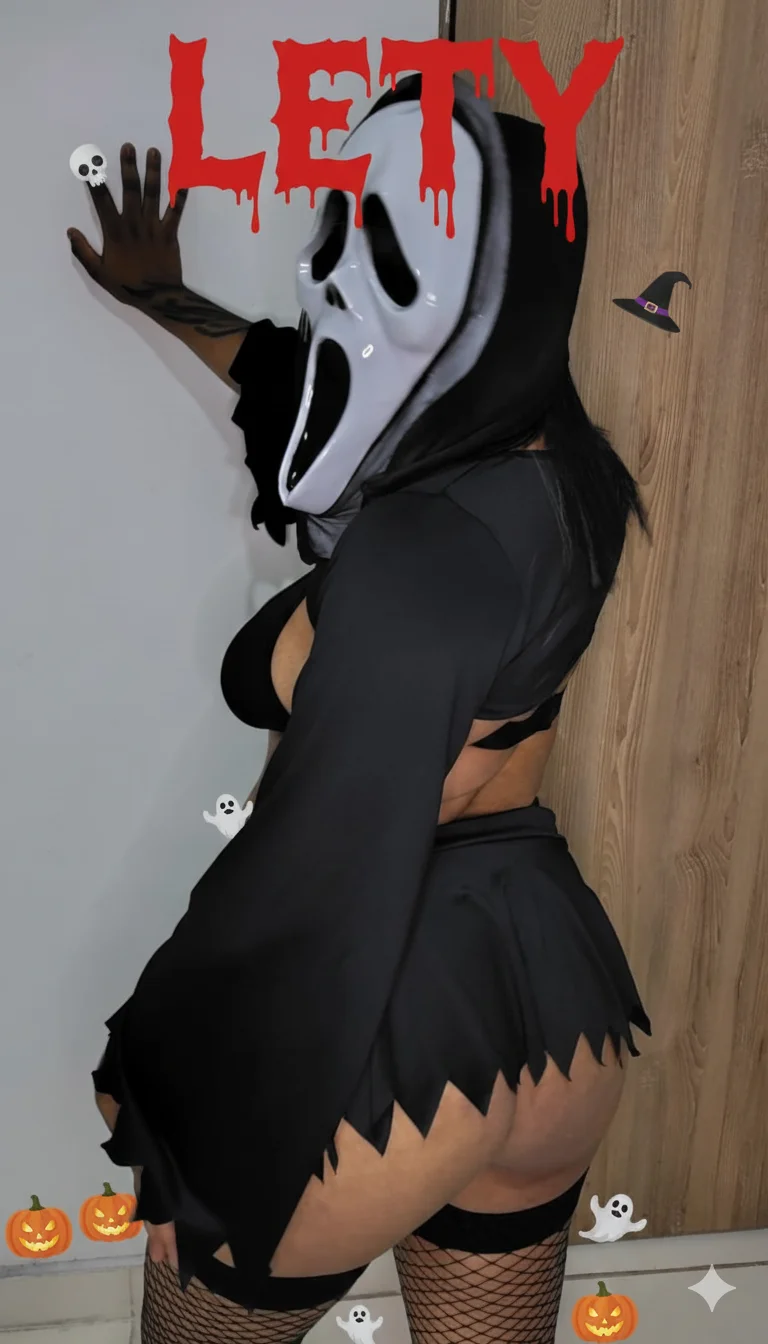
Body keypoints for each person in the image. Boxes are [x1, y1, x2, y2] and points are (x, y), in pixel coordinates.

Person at [72, 75, 652, 1344]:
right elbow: (299, 380)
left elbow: (327, 861)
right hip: (547, 1000)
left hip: (381, 1006)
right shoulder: (555, 474)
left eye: (390, 257)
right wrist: (165, 297)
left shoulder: (424, 551)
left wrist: (190, 1116)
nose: (333, 278)